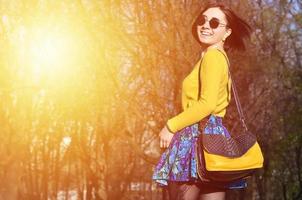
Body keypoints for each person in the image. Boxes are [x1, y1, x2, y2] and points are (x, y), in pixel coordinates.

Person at [152, 3, 252, 200]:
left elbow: (206, 104)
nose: (206, 26)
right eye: (202, 20)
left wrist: (171, 126)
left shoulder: (213, 57)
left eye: (214, 23)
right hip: (215, 140)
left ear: (227, 32)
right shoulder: (218, 57)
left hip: (195, 138)